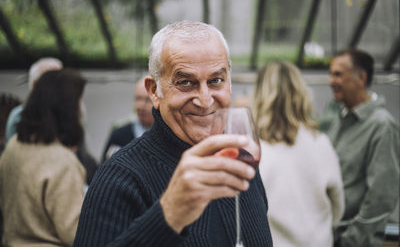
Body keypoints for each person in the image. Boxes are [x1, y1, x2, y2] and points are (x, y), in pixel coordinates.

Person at [73, 20, 273, 246]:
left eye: (216, 80)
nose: (205, 100)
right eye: (186, 82)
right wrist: (169, 214)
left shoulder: (240, 163)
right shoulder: (119, 177)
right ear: (154, 91)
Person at [253, 61, 344, 247]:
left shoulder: (253, 149)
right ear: (301, 93)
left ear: (260, 94)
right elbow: (337, 206)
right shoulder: (320, 143)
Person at [319, 49, 400, 247]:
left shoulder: (382, 126)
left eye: (338, 74)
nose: (331, 81)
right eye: (331, 74)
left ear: (361, 78)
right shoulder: (339, 119)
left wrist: (351, 239)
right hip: (331, 235)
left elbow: (381, 197)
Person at [0, 70, 87, 246]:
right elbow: (75, 234)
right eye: (77, 102)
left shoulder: (13, 146)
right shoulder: (63, 162)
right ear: (65, 108)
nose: (80, 109)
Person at [4, 58, 98, 184]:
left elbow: (82, 153)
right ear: (34, 85)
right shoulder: (18, 119)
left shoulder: (77, 110)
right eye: (50, 81)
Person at [101, 76, 154, 162]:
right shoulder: (119, 136)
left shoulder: (168, 136)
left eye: (147, 100)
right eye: (138, 99)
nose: (141, 106)